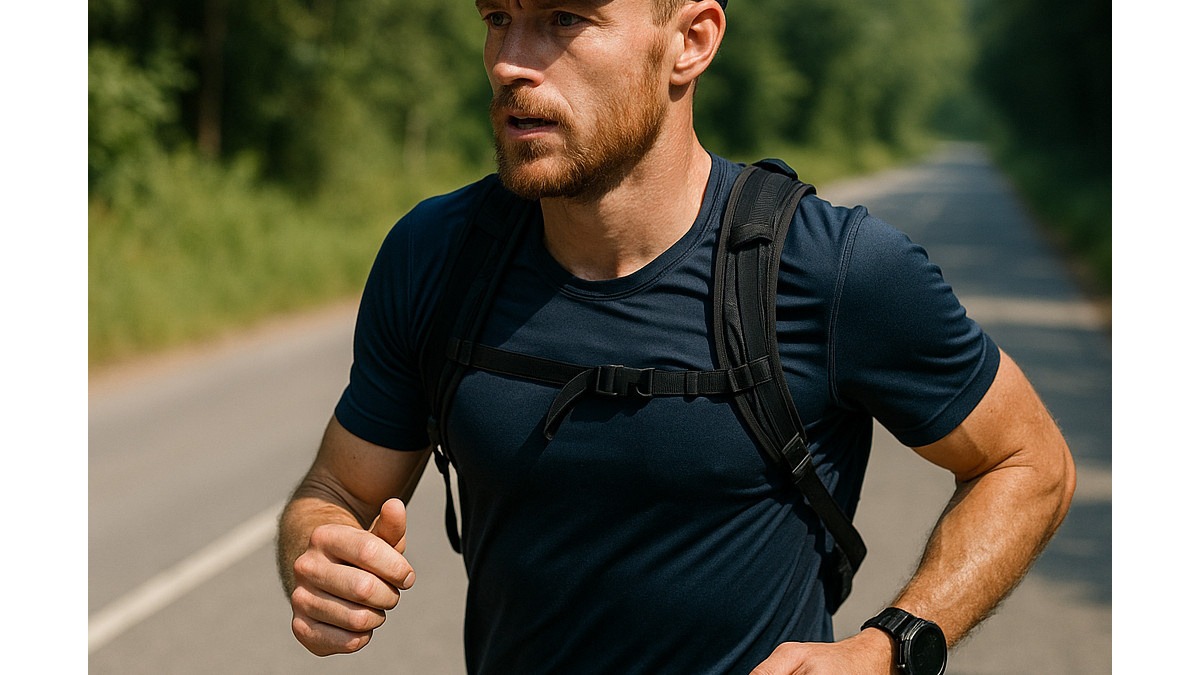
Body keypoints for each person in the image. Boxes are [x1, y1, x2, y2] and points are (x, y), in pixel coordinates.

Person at [276, 1, 1076, 673]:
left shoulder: (834, 270)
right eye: (497, 17)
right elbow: (336, 492)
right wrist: (318, 556)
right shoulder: (438, 255)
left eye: (562, 18)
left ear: (689, 41)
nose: (510, 63)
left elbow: (1030, 461)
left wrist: (891, 645)